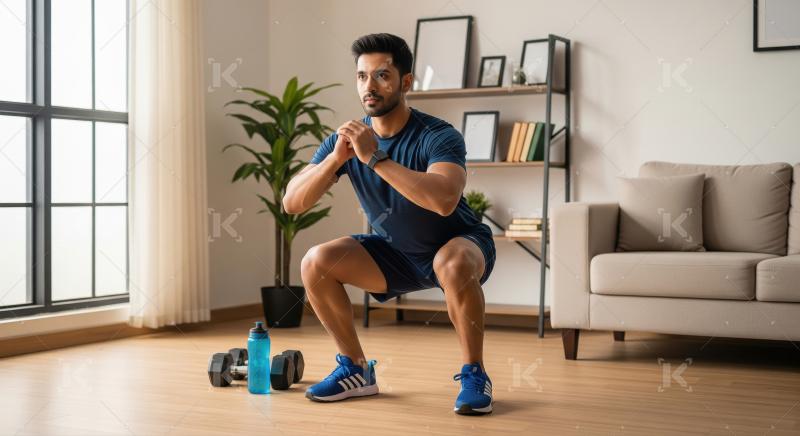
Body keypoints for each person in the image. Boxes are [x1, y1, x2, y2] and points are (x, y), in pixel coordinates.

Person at [282, 33, 497, 415]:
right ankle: (356, 371)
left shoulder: (438, 135)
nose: (370, 86)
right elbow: (292, 201)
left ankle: (474, 373)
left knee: (453, 261)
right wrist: (335, 161)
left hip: (458, 242)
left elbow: (444, 200)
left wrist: (375, 158)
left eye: (381, 75)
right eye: (362, 77)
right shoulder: (344, 139)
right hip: (395, 253)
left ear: (406, 82)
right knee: (315, 262)